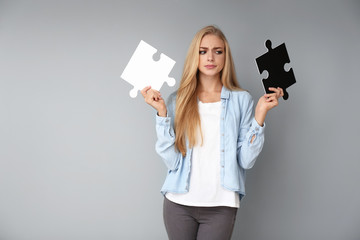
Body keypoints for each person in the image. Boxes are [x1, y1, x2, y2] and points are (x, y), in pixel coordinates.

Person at [141, 25, 283, 240]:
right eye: (203, 51)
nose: (210, 57)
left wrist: (260, 115)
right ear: (194, 56)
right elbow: (172, 162)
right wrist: (162, 114)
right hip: (179, 204)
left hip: (221, 205)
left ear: (225, 57)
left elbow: (245, 161)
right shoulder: (176, 101)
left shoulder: (241, 99)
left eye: (218, 51)